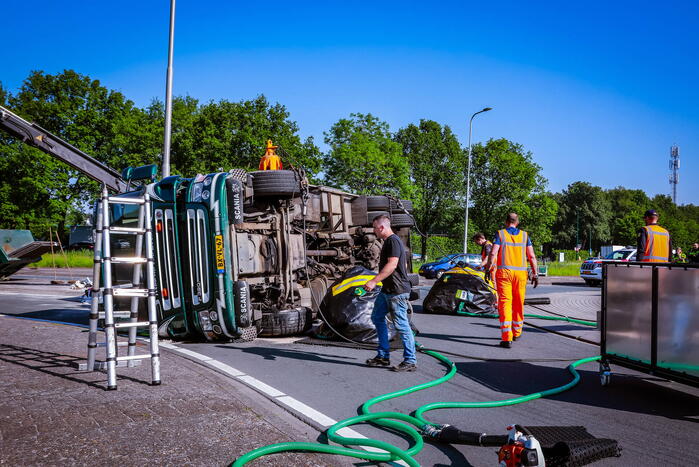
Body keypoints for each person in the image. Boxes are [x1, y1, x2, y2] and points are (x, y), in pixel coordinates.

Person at [364, 214, 416, 372]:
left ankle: (410, 360)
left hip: (397, 292)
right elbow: (403, 265)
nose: (374, 231)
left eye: (374, 228)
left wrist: (374, 281)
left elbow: (392, 265)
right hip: (388, 290)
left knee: (401, 325)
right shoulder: (390, 242)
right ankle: (383, 356)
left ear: (381, 227)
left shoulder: (393, 241)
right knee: (377, 317)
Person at [482, 213, 538, 348]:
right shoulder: (525, 235)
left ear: (507, 222)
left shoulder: (500, 234)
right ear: (517, 222)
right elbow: (531, 256)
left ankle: (507, 338)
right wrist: (535, 273)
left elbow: (494, 253)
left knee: (505, 304)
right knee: (519, 302)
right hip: (521, 274)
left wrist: (489, 268)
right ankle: (517, 332)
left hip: (504, 273)